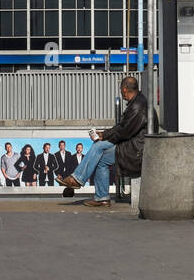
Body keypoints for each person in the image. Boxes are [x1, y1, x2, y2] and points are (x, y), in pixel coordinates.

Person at [57, 75, 148, 207]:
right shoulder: (137, 102)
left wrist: (104, 136)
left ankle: (78, 179)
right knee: (100, 156)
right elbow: (123, 128)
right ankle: (101, 197)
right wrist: (104, 134)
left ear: (124, 90)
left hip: (136, 150)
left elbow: (124, 132)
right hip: (133, 145)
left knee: (99, 147)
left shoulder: (137, 107)